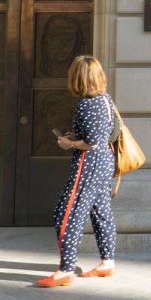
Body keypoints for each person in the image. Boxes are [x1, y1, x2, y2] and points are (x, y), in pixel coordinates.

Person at [37, 55, 117, 287]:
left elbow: (90, 142)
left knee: (66, 212)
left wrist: (68, 143)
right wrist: (75, 136)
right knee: (101, 212)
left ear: (78, 78)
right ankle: (107, 263)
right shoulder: (105, 99)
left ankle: (66, 270)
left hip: (89, 163)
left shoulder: (86, 104)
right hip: (104, 161)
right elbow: (100, 134)